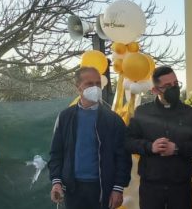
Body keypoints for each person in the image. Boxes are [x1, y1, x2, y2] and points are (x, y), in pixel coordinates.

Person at [126, 65, 192, 209]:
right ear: (155, 90)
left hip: (180, 187)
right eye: (168, 86)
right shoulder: (142, 113)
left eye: (176, 84)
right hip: (151, 186)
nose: (174, 88)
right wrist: (150, 147)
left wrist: (176, 148)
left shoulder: (190, 113)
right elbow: (128, 142)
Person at [49, 67, 131, 209]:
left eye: (98, 83)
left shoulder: (113, 120)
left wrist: (118, 188)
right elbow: (56, 152)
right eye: (89, 84)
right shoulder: (65, 117)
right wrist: (56, 182)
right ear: (78, 88)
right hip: (72, 188)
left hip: (102, 189)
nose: (95, 88)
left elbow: (123, 156)